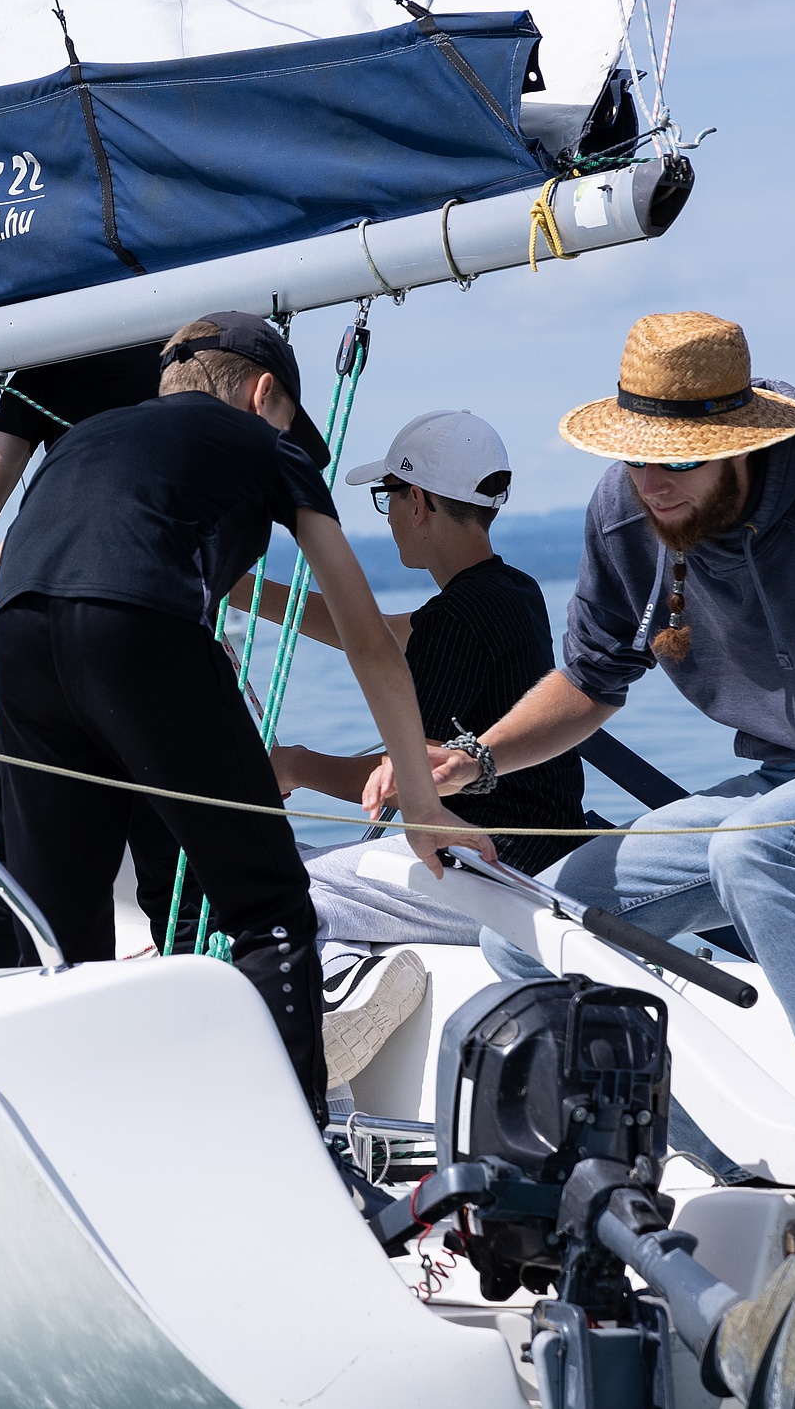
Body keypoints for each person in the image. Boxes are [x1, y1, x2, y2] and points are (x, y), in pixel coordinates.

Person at [368, 311, 795, 1126]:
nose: (653, 484)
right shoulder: (627, 510)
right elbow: (592, 682)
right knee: (525, 930)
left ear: (744, 439)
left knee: (756, 849)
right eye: (635, 457)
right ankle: (725, 1155)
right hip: (784, 786)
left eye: (677, 461)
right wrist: (472, 757)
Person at [0, 313, 476, 1116]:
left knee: (65, 943)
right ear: (263, 392)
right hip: (140, 625)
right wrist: (419, 801)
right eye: (282, 416)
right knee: (271, 908)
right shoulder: (271, 447)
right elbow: (371, 642)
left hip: (19, 642)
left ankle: (82, 1146)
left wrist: (39, 758)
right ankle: (292, 1148)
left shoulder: (79, 444)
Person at [228, 410, 588, 1089]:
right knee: (303, 868)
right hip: (534, 852)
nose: (387, 515)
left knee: (286, 886)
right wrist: (244, 590)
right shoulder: (508, 593)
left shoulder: (459, 616)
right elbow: (373, 633)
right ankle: (356, 970)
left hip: (489, 861)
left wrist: (297, 764)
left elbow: (410, 771)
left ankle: (342, 994)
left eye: (387, 498)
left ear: (417, 501)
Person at [0, 342, 194, 967]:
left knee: (2, 883)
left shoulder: (51, 365)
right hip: (146, 640)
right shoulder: (184, 369)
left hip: (26, 636)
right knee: (176, 886)